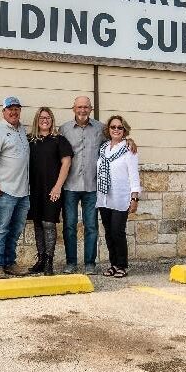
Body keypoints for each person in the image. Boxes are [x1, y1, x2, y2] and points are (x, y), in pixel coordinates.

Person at [59, 96, 135, 274]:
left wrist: (130, 141)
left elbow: (116, 142)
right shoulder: (64, 129)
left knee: (91, 226)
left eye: (86, 107)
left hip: (93, 187)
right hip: (70, 185)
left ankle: (89, 264)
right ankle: (71, 263)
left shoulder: (101, 129)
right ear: (73, 108)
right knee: (69, 226)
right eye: (79, 107)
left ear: (91, 109)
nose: (82, 110)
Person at [0, 96, 31, 278]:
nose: (14, 112)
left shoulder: (21, 130)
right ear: (3, 111)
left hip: (23, 192)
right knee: (1, 229)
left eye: (17, 108)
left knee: (16, 229)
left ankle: (10, 263)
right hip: (4, 191)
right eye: (10, 109)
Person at [25, 106, 73, 276]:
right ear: (37, 121)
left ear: (52, 120)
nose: (45, 120)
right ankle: (41, 260)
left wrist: (58, 186)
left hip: (53, 189)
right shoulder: (29, 140)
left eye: (48, 117)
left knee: (48, 223)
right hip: (34, 189)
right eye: (41, 117)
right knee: (38, 223)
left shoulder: (60, 140)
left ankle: (49, 262)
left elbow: (66, 163)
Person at [96, 114, 141, 278]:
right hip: (104, 197)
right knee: (108, 232)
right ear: (108, 129)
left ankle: (122, 265)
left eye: (119, 127)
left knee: (117, 231)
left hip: (121, 197)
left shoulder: (129, 149)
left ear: (124, 130)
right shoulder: (103, 148)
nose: (116, 130)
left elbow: (134, 175)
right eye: (113, 127)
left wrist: (134, 198)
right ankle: (113, 264)